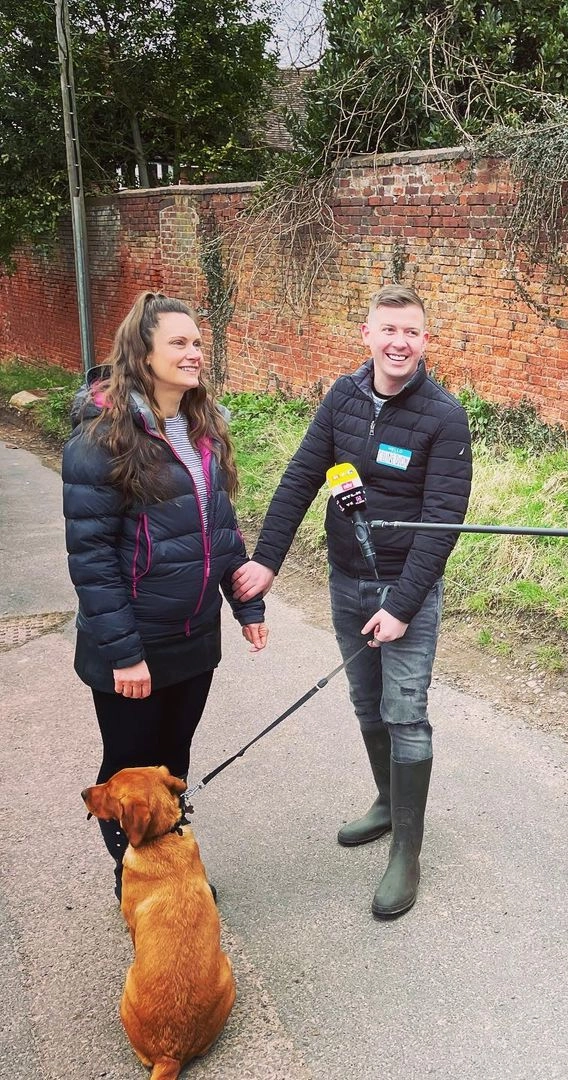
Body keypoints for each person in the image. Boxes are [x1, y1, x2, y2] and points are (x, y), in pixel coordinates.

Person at [231, 284, 472, 919]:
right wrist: (267, 558)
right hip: (346, 581)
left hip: (405, 590)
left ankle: (407, 853)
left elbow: (443, 522)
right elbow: (301, 478)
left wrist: (403, 606)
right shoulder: (341, 397)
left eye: (412, 333)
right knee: (366, 700)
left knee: (405, 711)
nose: (400, 343)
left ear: (426, 342)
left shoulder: (445, 418)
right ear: (366, 335)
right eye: (388, 330)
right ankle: (388, 806)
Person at [63, 291, 268, 902]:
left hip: (192, 640)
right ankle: (138, 883)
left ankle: (170, 868)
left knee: (171, 769)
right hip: (133, 646)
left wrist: (246, 607)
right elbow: (92, 560)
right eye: (177, 342)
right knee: (129, 769)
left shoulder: (200, 427)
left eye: (198, 342)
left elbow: (220, 529)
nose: (193, 352)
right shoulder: (102, 440)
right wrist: (124, 653)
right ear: (141, 353)